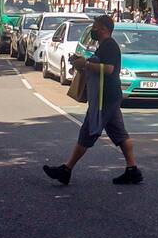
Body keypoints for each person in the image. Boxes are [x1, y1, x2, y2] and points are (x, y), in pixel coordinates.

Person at [42, 14, 143, 186]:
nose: (93, 30)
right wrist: (82, 62)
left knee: (88, 131)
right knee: (119, 134)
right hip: (110, 96)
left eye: (95, 26)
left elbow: (109, 69)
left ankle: (66, 170)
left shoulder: (109, 45)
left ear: (104, 28)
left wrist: (86, 64)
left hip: (106, 97)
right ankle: (132, 170)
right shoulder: (104, 45)